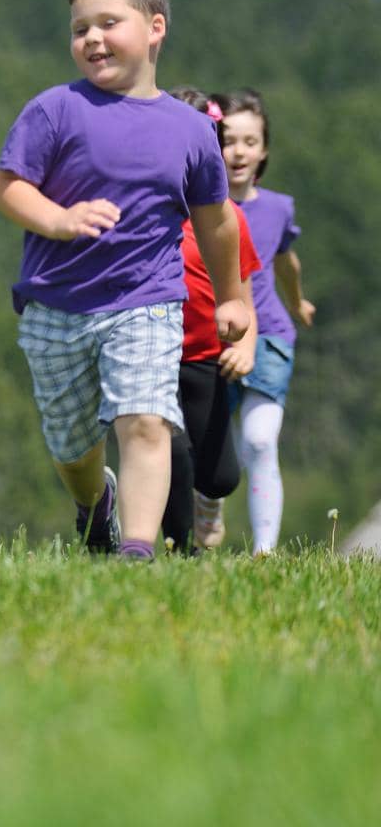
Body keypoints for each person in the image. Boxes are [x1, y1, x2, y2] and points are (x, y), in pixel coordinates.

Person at [0, 0, 252, 561]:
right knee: (73, 445)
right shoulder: (54, 110)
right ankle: (94, 504)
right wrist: (58, 220)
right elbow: (6, 187)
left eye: (110, 23)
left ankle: (137, 550)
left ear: (155, 27)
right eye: (81, 29)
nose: (92, 39)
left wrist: (233, 295)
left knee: (146, 420)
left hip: (147, 302)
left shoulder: (189, 131)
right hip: (55, 305)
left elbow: (216, 221)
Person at [160, 88, 260, 554]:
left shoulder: (227, 219)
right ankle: (177, 548)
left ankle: (204, 506)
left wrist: (245, 345)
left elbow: (242, 296)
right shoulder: (151, 214)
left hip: (206, 357)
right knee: (171, 452)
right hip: (153, 354)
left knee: (219, 478)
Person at [215, 88, 314, 555]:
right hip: (209, 336)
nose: (238, 151)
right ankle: (201, 533)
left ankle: (265, 551)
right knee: (209, 448)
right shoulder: (200, 208)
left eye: (249, 141)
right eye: (228, 139)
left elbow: (285, 262)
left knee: (258, 440)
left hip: (270, 334)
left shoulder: (278, 208)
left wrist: (298, 302)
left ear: (264, 150)